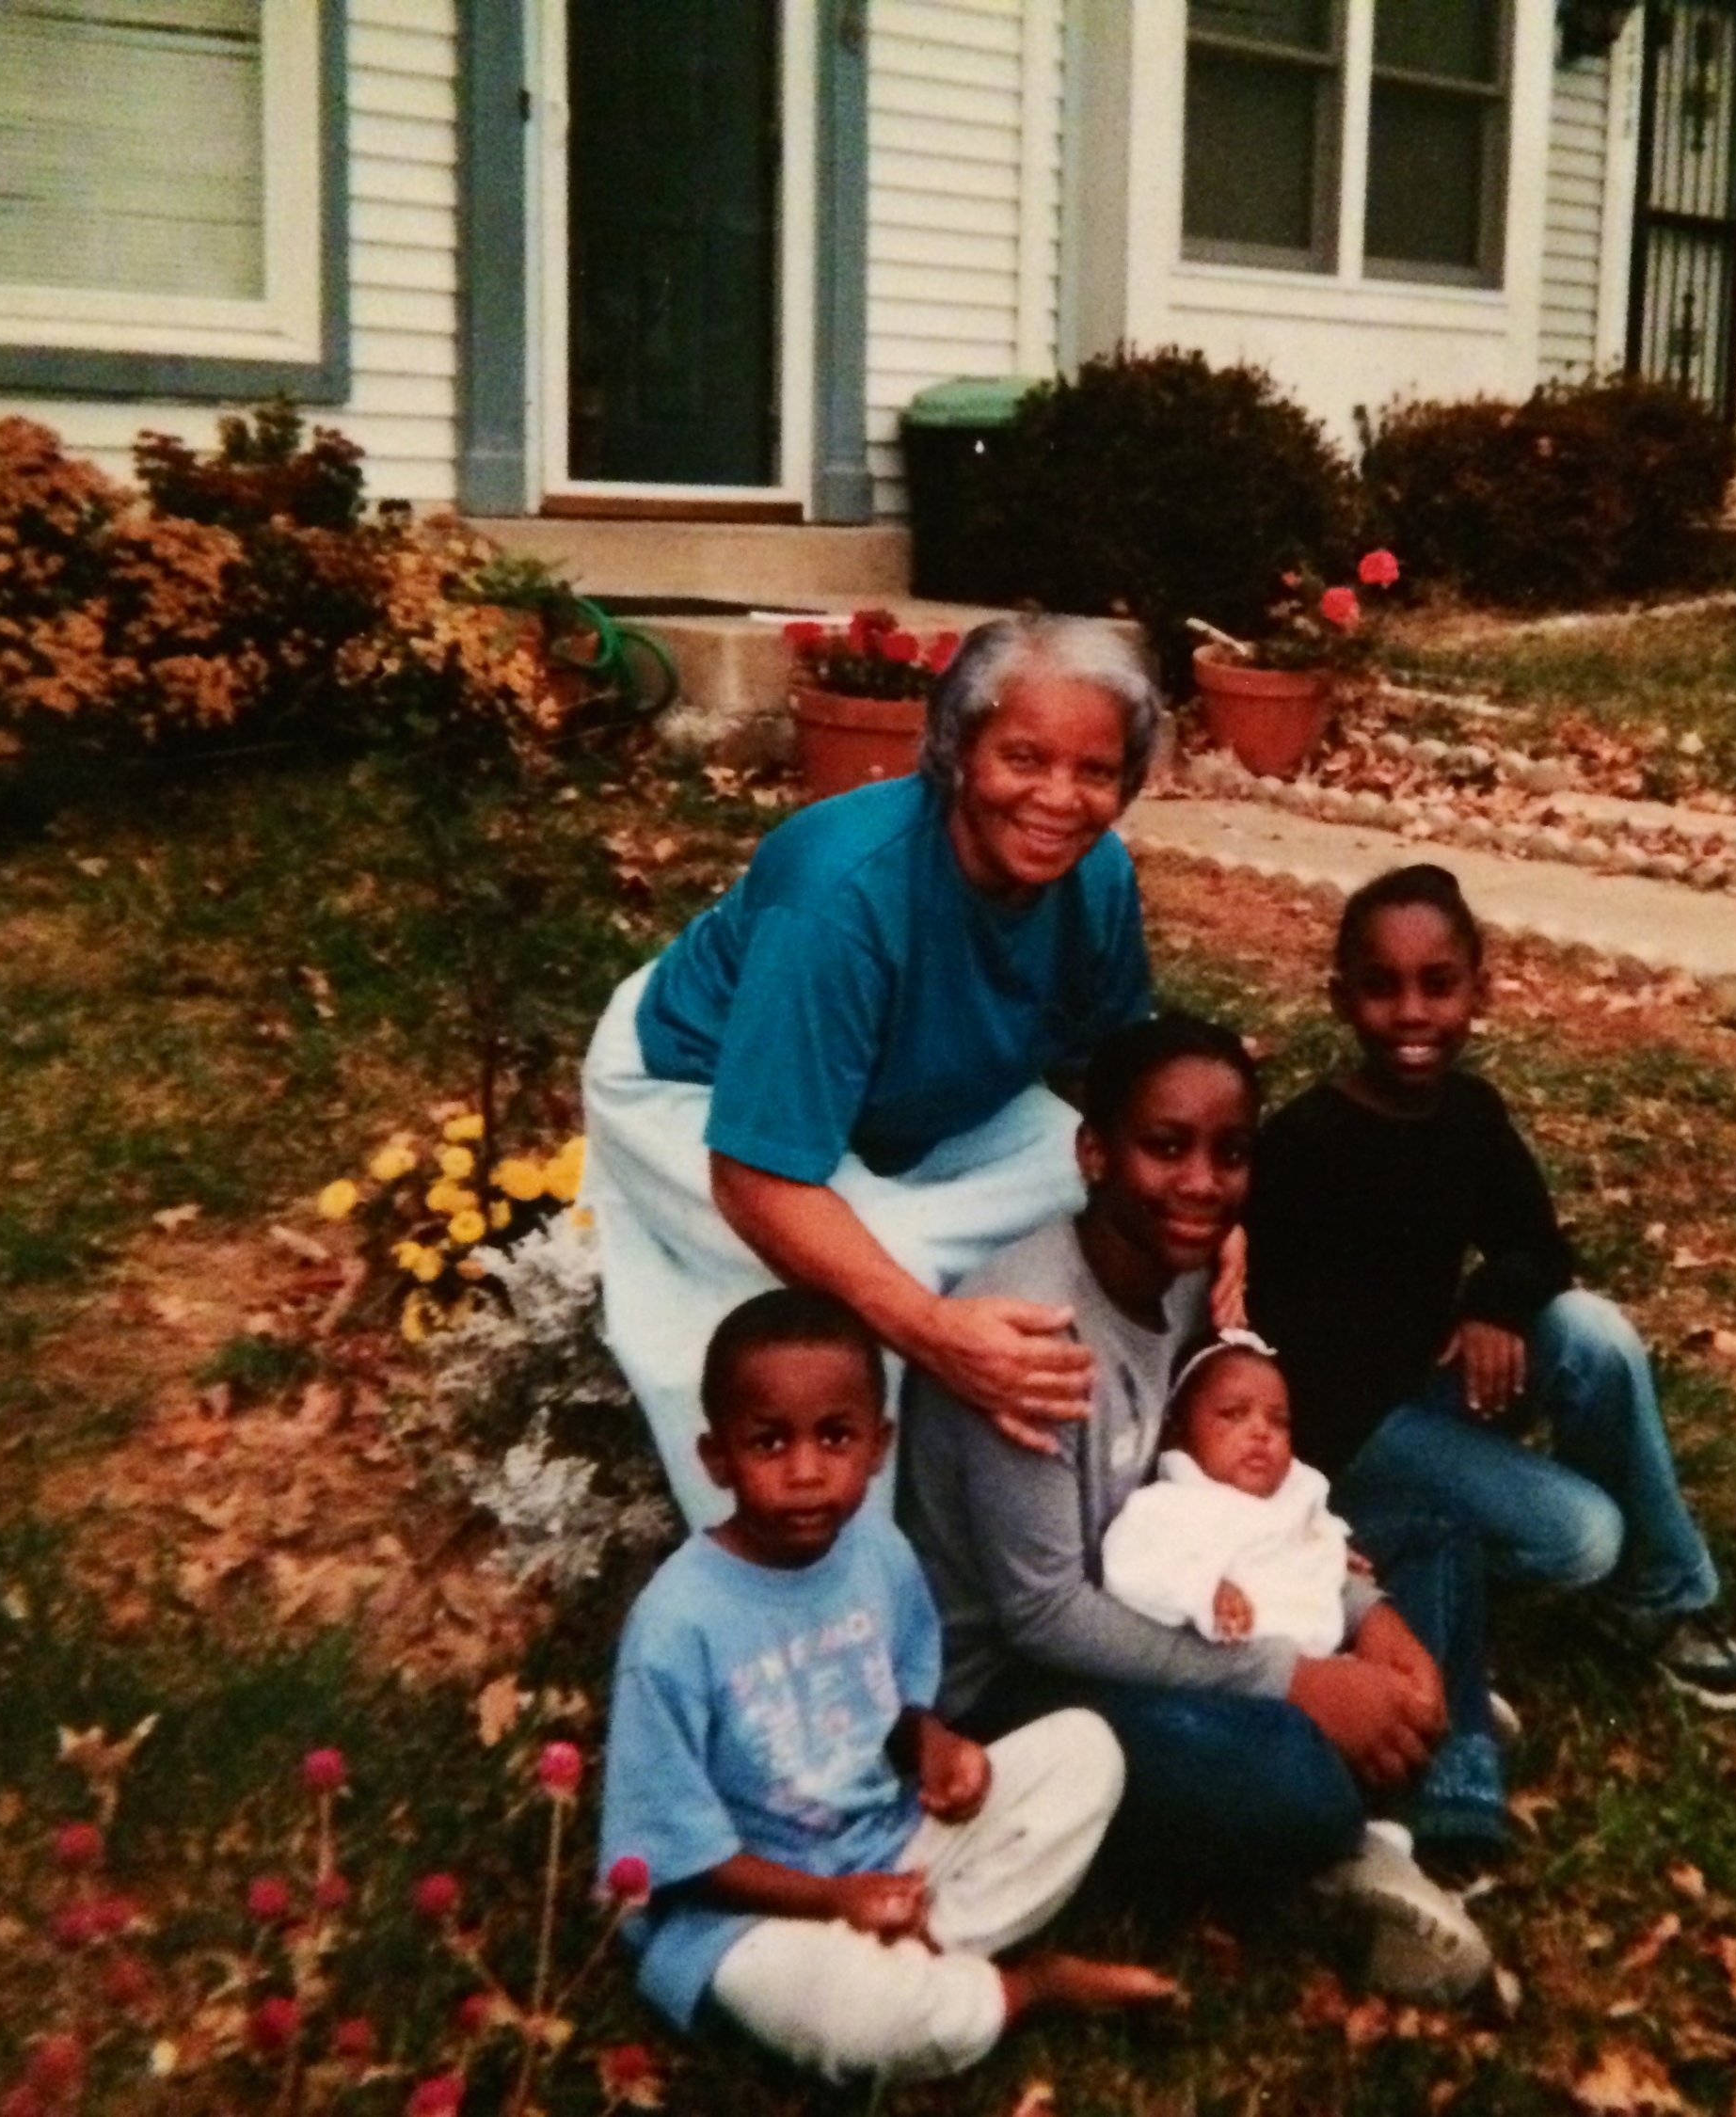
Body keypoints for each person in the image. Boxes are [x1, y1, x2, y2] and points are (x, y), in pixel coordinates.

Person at [899, 1014, 1498, 2000]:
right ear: (1094, 1152)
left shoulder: (1178, 1275)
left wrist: (1366, 1617)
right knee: (1290, 1772)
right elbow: (1042, 1614)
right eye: (1165, 1147)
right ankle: (1382, 1804)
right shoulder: (1029, 1327)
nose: (1201, 1183)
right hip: (1016, 1688)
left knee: (1432, 1540)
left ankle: (1419, 1759)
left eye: (1230, 1154)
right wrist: (1291, 1681)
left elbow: (1186, 1489)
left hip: (1172, 1586)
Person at [580, 616, 1175, 1525]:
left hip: (919, 1094)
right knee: (871, 1293)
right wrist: (936, 1334)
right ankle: (862, 1577)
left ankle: (1104, 1508)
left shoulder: (1097, 878)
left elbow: (1119, 1073)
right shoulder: (841, 894)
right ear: (955, 752)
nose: (1060, 798)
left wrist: (1183, 1193)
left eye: (1095, 772)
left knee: (1130, 1208)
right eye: (1024, 758)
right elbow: (756, 1175)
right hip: (699, 1089)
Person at [599, 1287, 1176, 2085]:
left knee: (1087, 1752)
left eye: (836, 1438)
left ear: (879, 1445)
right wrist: (834, 1903)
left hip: (889, 1846)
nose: (806, 1472)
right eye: (769, 1443)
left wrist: (933, 1745)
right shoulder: (675, 1626)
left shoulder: (878, 1553)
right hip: (750, 1911)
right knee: (847, 2013)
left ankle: (927, 1947)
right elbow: (671, 1855)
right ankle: (1021, 1988)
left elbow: (896, 1704)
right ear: (717, 1458)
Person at [1246, 864, 1736, 1711]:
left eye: (1438, 986)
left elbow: (1537, 1245)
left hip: (1429, 1388)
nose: (1413, 1014)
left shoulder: (1468, 1115)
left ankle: (1665, 1596)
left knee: (1589, 1331)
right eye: (1382, 989)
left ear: (1479, 993)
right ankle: (1388, 1560)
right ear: (1341, 1000)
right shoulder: (1306, 1143)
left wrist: (1495, 1304)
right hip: (1345, 1439)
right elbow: (1273, 1344)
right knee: (1584, 1536)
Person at [1100, 1330, 1354, 1653]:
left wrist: (1330, 1550)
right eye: (1234, 1414)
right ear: (1179, 1434)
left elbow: (1315, 1541)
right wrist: (1204, 1591)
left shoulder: (1297, 1498)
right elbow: (1129, 1567)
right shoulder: (1168, 1507)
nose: (1261, 1431)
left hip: (1313, 1661)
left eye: (1278, 1421)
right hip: (1214, 1675)